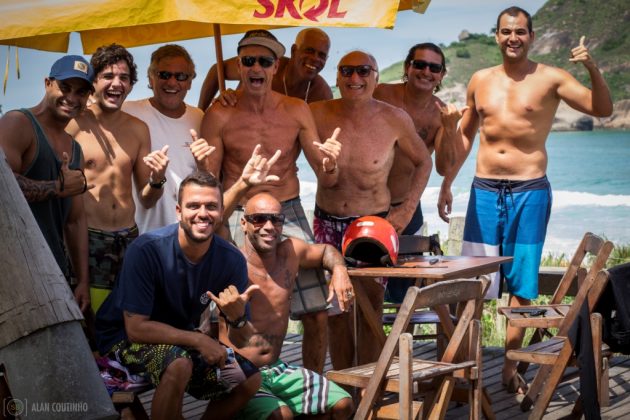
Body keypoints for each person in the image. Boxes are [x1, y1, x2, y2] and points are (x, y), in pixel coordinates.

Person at [439, 6, 613, 393]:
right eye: (505, 31)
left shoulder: (551, 78)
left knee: (521, 284)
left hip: (529, 190)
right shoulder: (480, 80)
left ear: (531, 36)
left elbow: (602, 110)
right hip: (483, 190)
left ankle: (509, 368)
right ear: (497, 36)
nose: (513, 37)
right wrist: (448, 181)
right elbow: (466, 136)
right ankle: (472, 370)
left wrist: (592, 69)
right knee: (476, 283)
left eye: (520, 31)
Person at [201, 29, 343, 374]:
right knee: (227, 309)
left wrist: (330, 164)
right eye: (248, 61)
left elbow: (326, 175)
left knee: (316, 310)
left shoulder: (296, 109)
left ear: (276, 66)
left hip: (287, 209)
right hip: (238, 213)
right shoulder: (220, 114)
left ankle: (313, 384)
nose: (256, 68)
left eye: (264, 61)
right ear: (238, 65)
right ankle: (233, 387)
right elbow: (209, 182)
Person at [94, 171, 262, 420]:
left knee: (247, 378)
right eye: (193, 205)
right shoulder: (146, 250)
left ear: (221, 211)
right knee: (179, 363)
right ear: (178, 211)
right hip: (120, 340)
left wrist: (237, 319)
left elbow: (242, 338)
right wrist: (199, 341)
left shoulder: (231, 260)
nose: (202, 213)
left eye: (211, 206)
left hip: (179, 338)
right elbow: (136, 328)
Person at [309, 50, 432, 369]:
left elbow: (423, 161)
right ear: (336, 77)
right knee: (336, 311)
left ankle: (368, 393)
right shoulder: (316, 113)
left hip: (372, 225)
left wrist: (405, 212)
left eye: (364, 71)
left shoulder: (394, 118)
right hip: (327, 223)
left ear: (377, 77)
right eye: (346, 71)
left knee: (369, 311)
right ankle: (345, 391)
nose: (355, 78)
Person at [226, 192, 354, 419]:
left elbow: (326, 251)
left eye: (276, 220)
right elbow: (213, 222)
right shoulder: (231, 261)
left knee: (343, 405)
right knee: (281, 415)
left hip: (278, 369)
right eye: (259, 219)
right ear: (243, 224)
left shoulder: (290, 253)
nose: (269, 226)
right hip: (240, 372)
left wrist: (340, 270)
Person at [66, 44, 169, 313]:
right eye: (108, 76)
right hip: (88, 237)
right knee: (91, 316)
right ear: (94, 81)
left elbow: (147, 199)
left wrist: (157, 179)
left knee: (130, 316)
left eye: (123, 78)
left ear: (131, 85)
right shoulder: (74, 124)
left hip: (129, 238)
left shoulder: (138, 129)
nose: (116, 84)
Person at [0, 55, 95, 312]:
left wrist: (83, 281)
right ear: (47, 83)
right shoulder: (16, 122)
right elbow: (3, 187)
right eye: (65, 87)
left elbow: (75, 220)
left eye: (81, 92)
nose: (72, 98)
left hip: (52, 269)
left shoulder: (74, 148)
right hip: (11, 269)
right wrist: (57, 188)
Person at [373, 43, 466, 303]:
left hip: (406, 206)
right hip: (366, 203)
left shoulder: (442, 114)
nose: (426, 72)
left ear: (441, 75)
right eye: (420, 64)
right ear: (407, 67)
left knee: (404, 291)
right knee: (365, 286)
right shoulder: (381, 94)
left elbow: (444, 167)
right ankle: (365, 343)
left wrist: (449, 129)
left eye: (434, 68)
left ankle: (401, 343)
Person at [122, 44, 209, 234]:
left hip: (189, 235)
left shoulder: (200, 118)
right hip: (144, 235)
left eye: (180, 76)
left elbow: (207, 180)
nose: (172, 82)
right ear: (150, 78)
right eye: (164, 75)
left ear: (190, 82)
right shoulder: (127, 111)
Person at [198, 28, 332, 109]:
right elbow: (217, 70)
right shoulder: (265, 63)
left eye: (322, 55)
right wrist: (200, 115)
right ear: (293, 51)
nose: (315, 59)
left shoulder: (321, 93)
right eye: (309, 51)